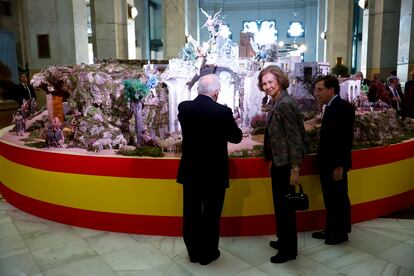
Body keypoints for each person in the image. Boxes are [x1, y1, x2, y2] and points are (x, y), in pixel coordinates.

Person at [176, 73, 242, 265]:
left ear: (198, 90)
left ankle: (193, 253)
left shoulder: (184, 108)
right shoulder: (223, 112)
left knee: (191, 213)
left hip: (190, 171)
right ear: (217, 93)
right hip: (214, 172)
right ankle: (208, 253)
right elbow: (236, 137)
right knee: (211, 214)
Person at [258, 65, 307, 263]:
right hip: (279, 162)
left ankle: (288, 250)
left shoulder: (285, 103)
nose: (267, 86)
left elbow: (295, 138)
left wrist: (295, 168)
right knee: (280, 206)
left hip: (287, 165)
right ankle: (283, 239)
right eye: (264, 83)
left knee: (285, 208)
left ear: (279, 81)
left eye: (270, 82)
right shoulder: (278, 100)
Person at [312, 75, 355, 245]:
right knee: (330, 198)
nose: (317, 93)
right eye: (316, 89)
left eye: (320, 89)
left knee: (339, 198)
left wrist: (339, 165)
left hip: (335, 164)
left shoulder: (342, 107)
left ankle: (341, 232)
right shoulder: (330, 106)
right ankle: (331, 229)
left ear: (332, 90)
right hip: (327, 162)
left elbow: (345, 139)